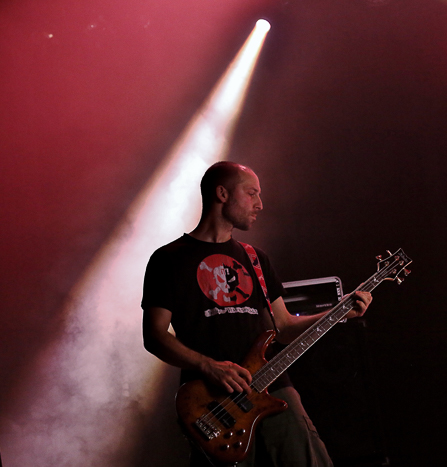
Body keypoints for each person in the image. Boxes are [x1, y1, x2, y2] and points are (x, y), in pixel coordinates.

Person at [141, 161, 372, 467]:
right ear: (222, 193)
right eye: (251, 193)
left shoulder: (255, 258)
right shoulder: (168, 259)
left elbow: (284, 327)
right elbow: (154, 335)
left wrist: (340, 313)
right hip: (213, 401)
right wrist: (208, 366)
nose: (260, 204)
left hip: (273, 386)